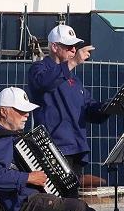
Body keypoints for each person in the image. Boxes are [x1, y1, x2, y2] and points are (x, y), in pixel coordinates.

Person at [27, 24, 115, 169]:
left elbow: (87, 107)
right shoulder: (39, 68)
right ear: (55, 47)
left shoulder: (74, 79)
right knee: (55, 191)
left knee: (73, 191)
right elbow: (44, 82)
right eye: (69, 46)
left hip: (76, 148)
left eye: (75, 46)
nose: (74, 50)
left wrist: (108, 107)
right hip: (53, 147)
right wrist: (72, 63)